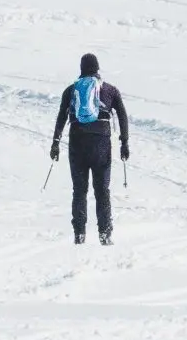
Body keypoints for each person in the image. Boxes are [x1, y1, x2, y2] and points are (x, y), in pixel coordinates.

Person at [50, 53, 130, 245]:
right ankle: (105, 234)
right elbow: (122, 116)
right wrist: (124, 142)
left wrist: (55, 142)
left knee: (79, 190)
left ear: (81, 69)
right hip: (101, 142)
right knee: (102, 190)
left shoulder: (71, 90)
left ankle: (79, 234)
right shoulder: (110, 90)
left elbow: (62, 116)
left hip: (77, 142)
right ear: (97, 68)